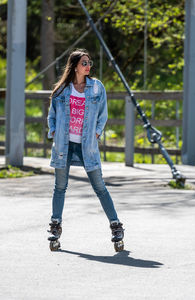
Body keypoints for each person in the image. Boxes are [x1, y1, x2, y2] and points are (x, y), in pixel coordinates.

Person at [47, 48, 124, 252]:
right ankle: (55, 226)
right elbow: (52, 115)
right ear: (74, 66)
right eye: (84, 63)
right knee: (60, 187)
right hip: (64, 145)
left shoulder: (97, 87)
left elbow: (103, 114)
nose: (88, 66)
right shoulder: (62, 89)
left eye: (89, 63)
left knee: (100, 187)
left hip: (87, 145)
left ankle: (116, 226)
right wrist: (54, 132)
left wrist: (97, 133)